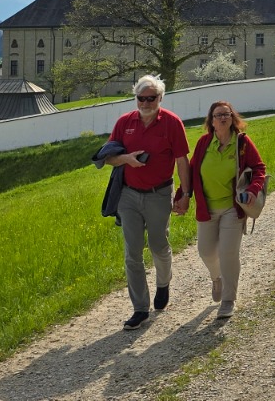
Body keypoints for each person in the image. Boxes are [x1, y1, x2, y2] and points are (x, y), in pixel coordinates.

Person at [104, 75, 191, 330]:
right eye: (141, 98)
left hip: (159, 193)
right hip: (128, 195)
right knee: (132, 252)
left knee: (158, 244)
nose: (145, 103)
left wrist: (185, 194)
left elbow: (182, 160)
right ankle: (140, 309)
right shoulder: (125, 122)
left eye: (151, 98)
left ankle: (163, 283)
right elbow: (108, 157)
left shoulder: (172, 123)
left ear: (160, 98)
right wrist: (126, 159)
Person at [189, 100, 266, 320]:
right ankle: (217, 278)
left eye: (226, 114)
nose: (223, 118)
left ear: (232, 119)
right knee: (206, 251)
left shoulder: (242, 143)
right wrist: (182, 196)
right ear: (211, 121)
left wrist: (252, 189)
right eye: (218, 115)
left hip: (233, 208)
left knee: (228, 253)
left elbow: (259, 168)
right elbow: (192, 171)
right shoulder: (204, 143)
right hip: (207, 208)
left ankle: (228, 300)